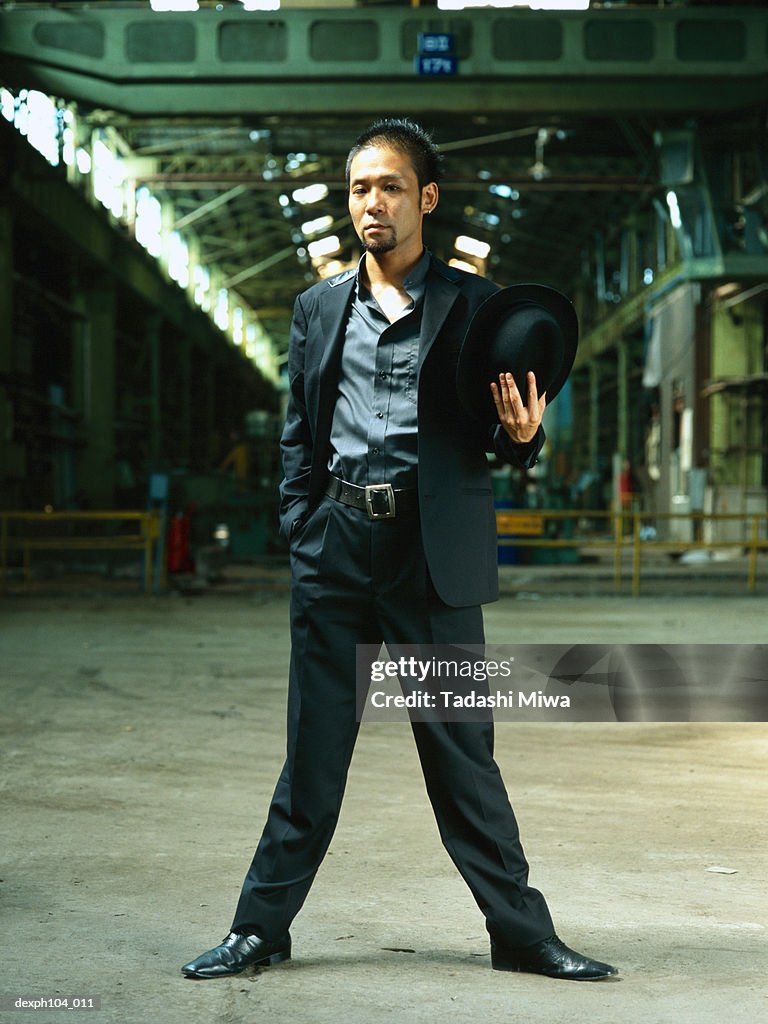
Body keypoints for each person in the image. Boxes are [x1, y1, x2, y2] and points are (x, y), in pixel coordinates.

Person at [182, 118, 617, 983]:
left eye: (387, 187)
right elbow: (300, 434)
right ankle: (260, 928)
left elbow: (503, 430)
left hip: (431, 556)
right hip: (337, 551)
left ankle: (521, 934)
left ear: (425, 198)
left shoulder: (472, 306)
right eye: (357, 189)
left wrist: (524, 441)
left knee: (462, 754)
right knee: (313, 756)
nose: (370, 203)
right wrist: (304, 531)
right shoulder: (315, 309)